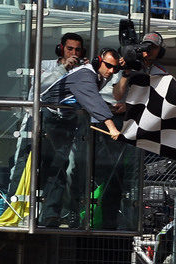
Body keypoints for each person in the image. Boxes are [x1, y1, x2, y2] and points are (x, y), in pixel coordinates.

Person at [39, 48, 122, 228]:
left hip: (67, 120)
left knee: (70, 166)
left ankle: (60, 213)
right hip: (50, 119)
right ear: (97, 61)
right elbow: (92, 100)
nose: (111, 71)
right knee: (58, 165)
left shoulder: (96, 76)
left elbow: (87, 100)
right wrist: (112, 127)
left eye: (115, 69)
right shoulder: (85, 75)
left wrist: (112, 107)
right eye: (108, 66)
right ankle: (49, 215)